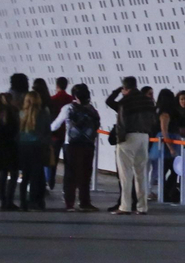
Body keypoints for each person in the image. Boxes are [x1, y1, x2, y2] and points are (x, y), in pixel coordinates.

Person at [106, 76, 157, 216]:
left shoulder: (125, 101)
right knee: (141, 173)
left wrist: (118, 91)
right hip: (144, 136)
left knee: (126, 174)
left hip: (128, 137)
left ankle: (125, 206)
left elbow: (110, 103)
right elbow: (153, 120)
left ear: (125, 88)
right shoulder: (148, 101)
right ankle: (142, 207)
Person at [49, 83, 100, 212]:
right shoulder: (92, 109)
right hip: (88, 144)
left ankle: (69, 203)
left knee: (70, 174)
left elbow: (55, 125)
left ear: (75, 96)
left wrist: (46, 129)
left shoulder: (68, 108)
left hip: (71, 145)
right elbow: (97, 125)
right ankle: (84, 202)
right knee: (85, 174)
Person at [0, 73, 28, 211]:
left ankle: (3, 201)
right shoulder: (16, 109)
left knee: (2, 174)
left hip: (0, 146)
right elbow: (21, 122)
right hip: (13, 145)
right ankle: (9, 200)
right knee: (13, 174)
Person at [16, 91, 52, 210]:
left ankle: (22, 202)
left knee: (25, 176)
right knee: (36, 176)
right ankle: (34, 201)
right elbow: (48, 131)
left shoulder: (21, 113)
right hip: (38, 147)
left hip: (23, 147)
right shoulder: (44, 113)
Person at [48, 76, 74, 191]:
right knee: (68, 162)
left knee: (53, 161)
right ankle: (67, 186)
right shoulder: (71, 100)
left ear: (57, 85)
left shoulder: (52, 99)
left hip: (55, 135)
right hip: (68, 136)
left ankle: (51, 182)